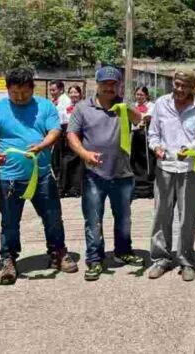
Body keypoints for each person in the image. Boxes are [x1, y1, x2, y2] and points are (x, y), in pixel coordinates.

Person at [0, 68, 79, 285]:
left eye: (24, 93)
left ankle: (58, 252)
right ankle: (8, 260)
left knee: (53, 218)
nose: (19, 97)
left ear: (32, 89)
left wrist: (43, 144)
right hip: (9, 177)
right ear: (7, 89)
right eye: (14, 93)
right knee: (9, 222)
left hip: (42, 176)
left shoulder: (44, 106)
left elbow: (54, 130)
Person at [65, 67, 143, 281]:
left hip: (123, 173)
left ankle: (123, 252)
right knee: (93, 219)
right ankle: (94, 259)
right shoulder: (82, 108)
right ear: (97, 85)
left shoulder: (124, 107)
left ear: (119, 85)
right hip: (94, 173)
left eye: (114, 83)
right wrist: (84, 153)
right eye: (105, 83)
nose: (110, 87)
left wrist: (128, 109)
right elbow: (72, 135)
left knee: (124, 218)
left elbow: (140, 121)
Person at [146, 72, 195, 282]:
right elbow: (153, 133)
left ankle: (185, 259)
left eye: (185, 86)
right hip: (164, 166)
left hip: (189, 168)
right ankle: (161, 258)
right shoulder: (162, 103)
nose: (180, 89)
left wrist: (190, 149)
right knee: (162, 214)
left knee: (187, 217)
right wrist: (156, 147)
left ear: (192, 87)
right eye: (177, 84)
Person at [58, 86, 84, 198]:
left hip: (80, 135)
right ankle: (64, 188)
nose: (73, 94)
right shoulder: (65, 108)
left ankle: (76, 188)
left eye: (76, 92)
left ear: (80, 94)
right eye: (71, 92)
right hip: (67, 135)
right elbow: (61, 121)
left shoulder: (84, 107)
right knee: (65, 161)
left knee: (79, 163)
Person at [131, 86, 156, 199]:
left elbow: (150, 117)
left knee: (148, 161)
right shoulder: (132, 106)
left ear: (146, 96)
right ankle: (136, 187)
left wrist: (144, 119)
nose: (139, 97)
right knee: (136, 160)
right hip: (136, 136)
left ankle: (149, 187)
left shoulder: (152, 106)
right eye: (137, 94)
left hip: (148, 136)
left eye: (141, 95)